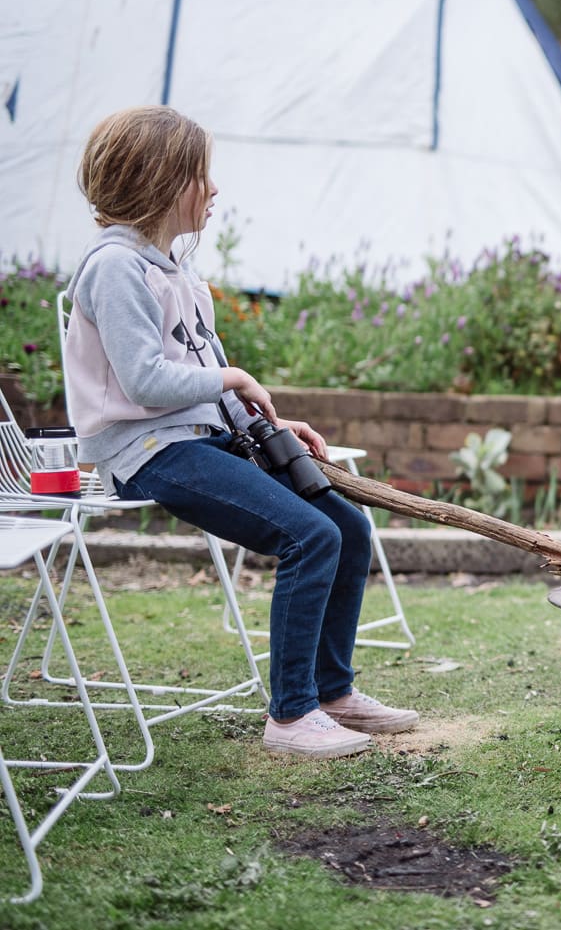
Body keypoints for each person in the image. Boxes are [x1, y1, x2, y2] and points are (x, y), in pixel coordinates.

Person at [64, 105, 418, 759]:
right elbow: (144, 382)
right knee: (308, 536)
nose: (215, 189)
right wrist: (232, 378)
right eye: (202, 174)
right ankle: (290, 714)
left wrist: (272, 422)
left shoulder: (174, 269)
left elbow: (202, 372)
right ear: (161, 179)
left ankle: (331, 689)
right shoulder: (114, 268)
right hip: (147, 449)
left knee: (349, 526)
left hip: (198, 437)